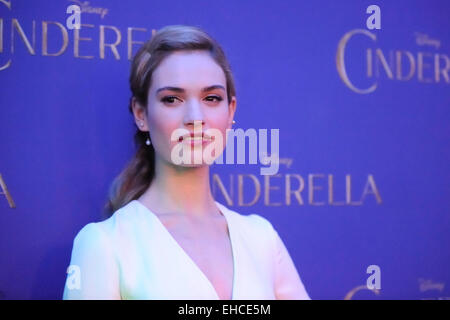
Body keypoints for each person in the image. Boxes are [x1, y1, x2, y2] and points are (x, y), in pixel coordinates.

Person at [62, 25, 310, 300]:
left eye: (211, 98)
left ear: (230, 111)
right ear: (140, 113)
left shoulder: (261, 238)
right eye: (172, 99)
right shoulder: (104, 244)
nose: (195, 117)